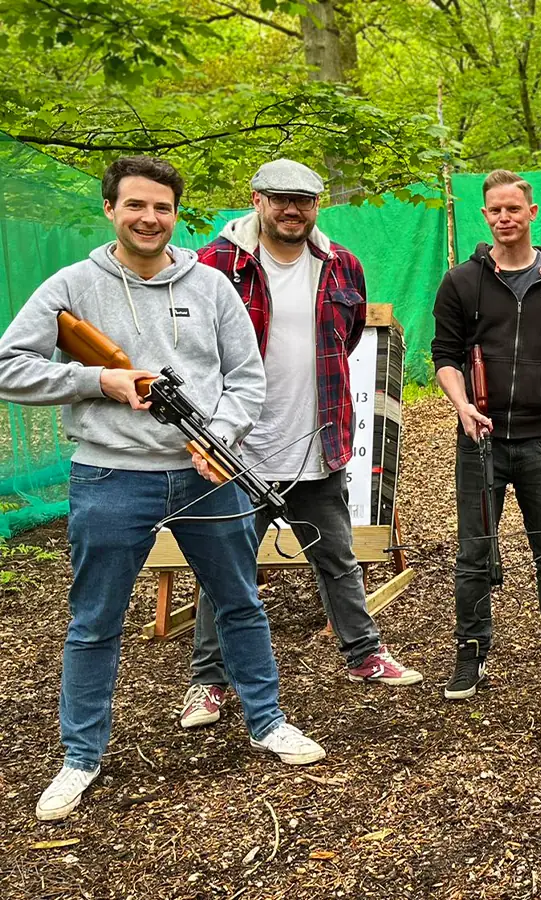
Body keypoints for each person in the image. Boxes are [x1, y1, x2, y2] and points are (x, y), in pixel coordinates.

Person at [0, 156, 326, 822]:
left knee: (240, 602)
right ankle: (80, 758)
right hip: (109, 476)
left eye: (162, 208)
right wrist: (99, 382)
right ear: (111, 210)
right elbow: (11, 366)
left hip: (207, 478)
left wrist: (221, 438)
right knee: (95, 622)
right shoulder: (71, 285)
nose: (149, 218)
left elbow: (247, 379)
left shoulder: (209, 286)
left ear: (176, 214)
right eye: (135, 206)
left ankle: (267, 722)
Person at [178, 159, 422, 729]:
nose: (292, 209)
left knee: (336, 558)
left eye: (304, 200)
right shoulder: (217, 264)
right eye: (280, 198)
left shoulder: (342, 266)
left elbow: (351, 334)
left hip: (316, 440)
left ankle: (364, 656)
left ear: (318, 207)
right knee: (226, 569)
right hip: (238, 450)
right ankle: (207, 683)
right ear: (256, 199)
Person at [431, 169, 541, 699]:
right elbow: (445, 354)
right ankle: (471, 651)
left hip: (539, 441)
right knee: (474, 550)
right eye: (495, 210)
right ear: (485, 216)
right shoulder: (461, 281)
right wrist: (463, 407)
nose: (505, 218)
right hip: (478, 438)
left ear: (532, 214)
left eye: (514, 208)